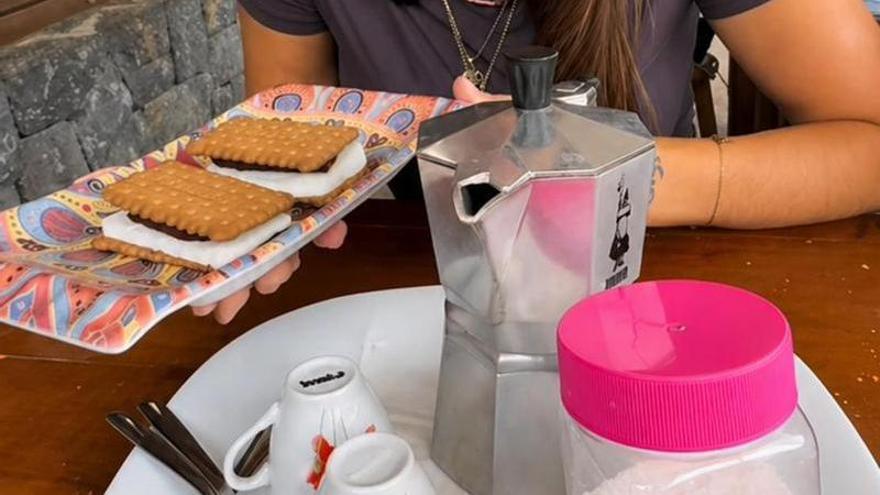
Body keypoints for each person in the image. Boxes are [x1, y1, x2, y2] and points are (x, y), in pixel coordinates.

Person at [193, 0, 880, 323]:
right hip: (421, 303)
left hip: (656, 291)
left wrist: (629, 175)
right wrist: (274, 222)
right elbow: (286, 149)